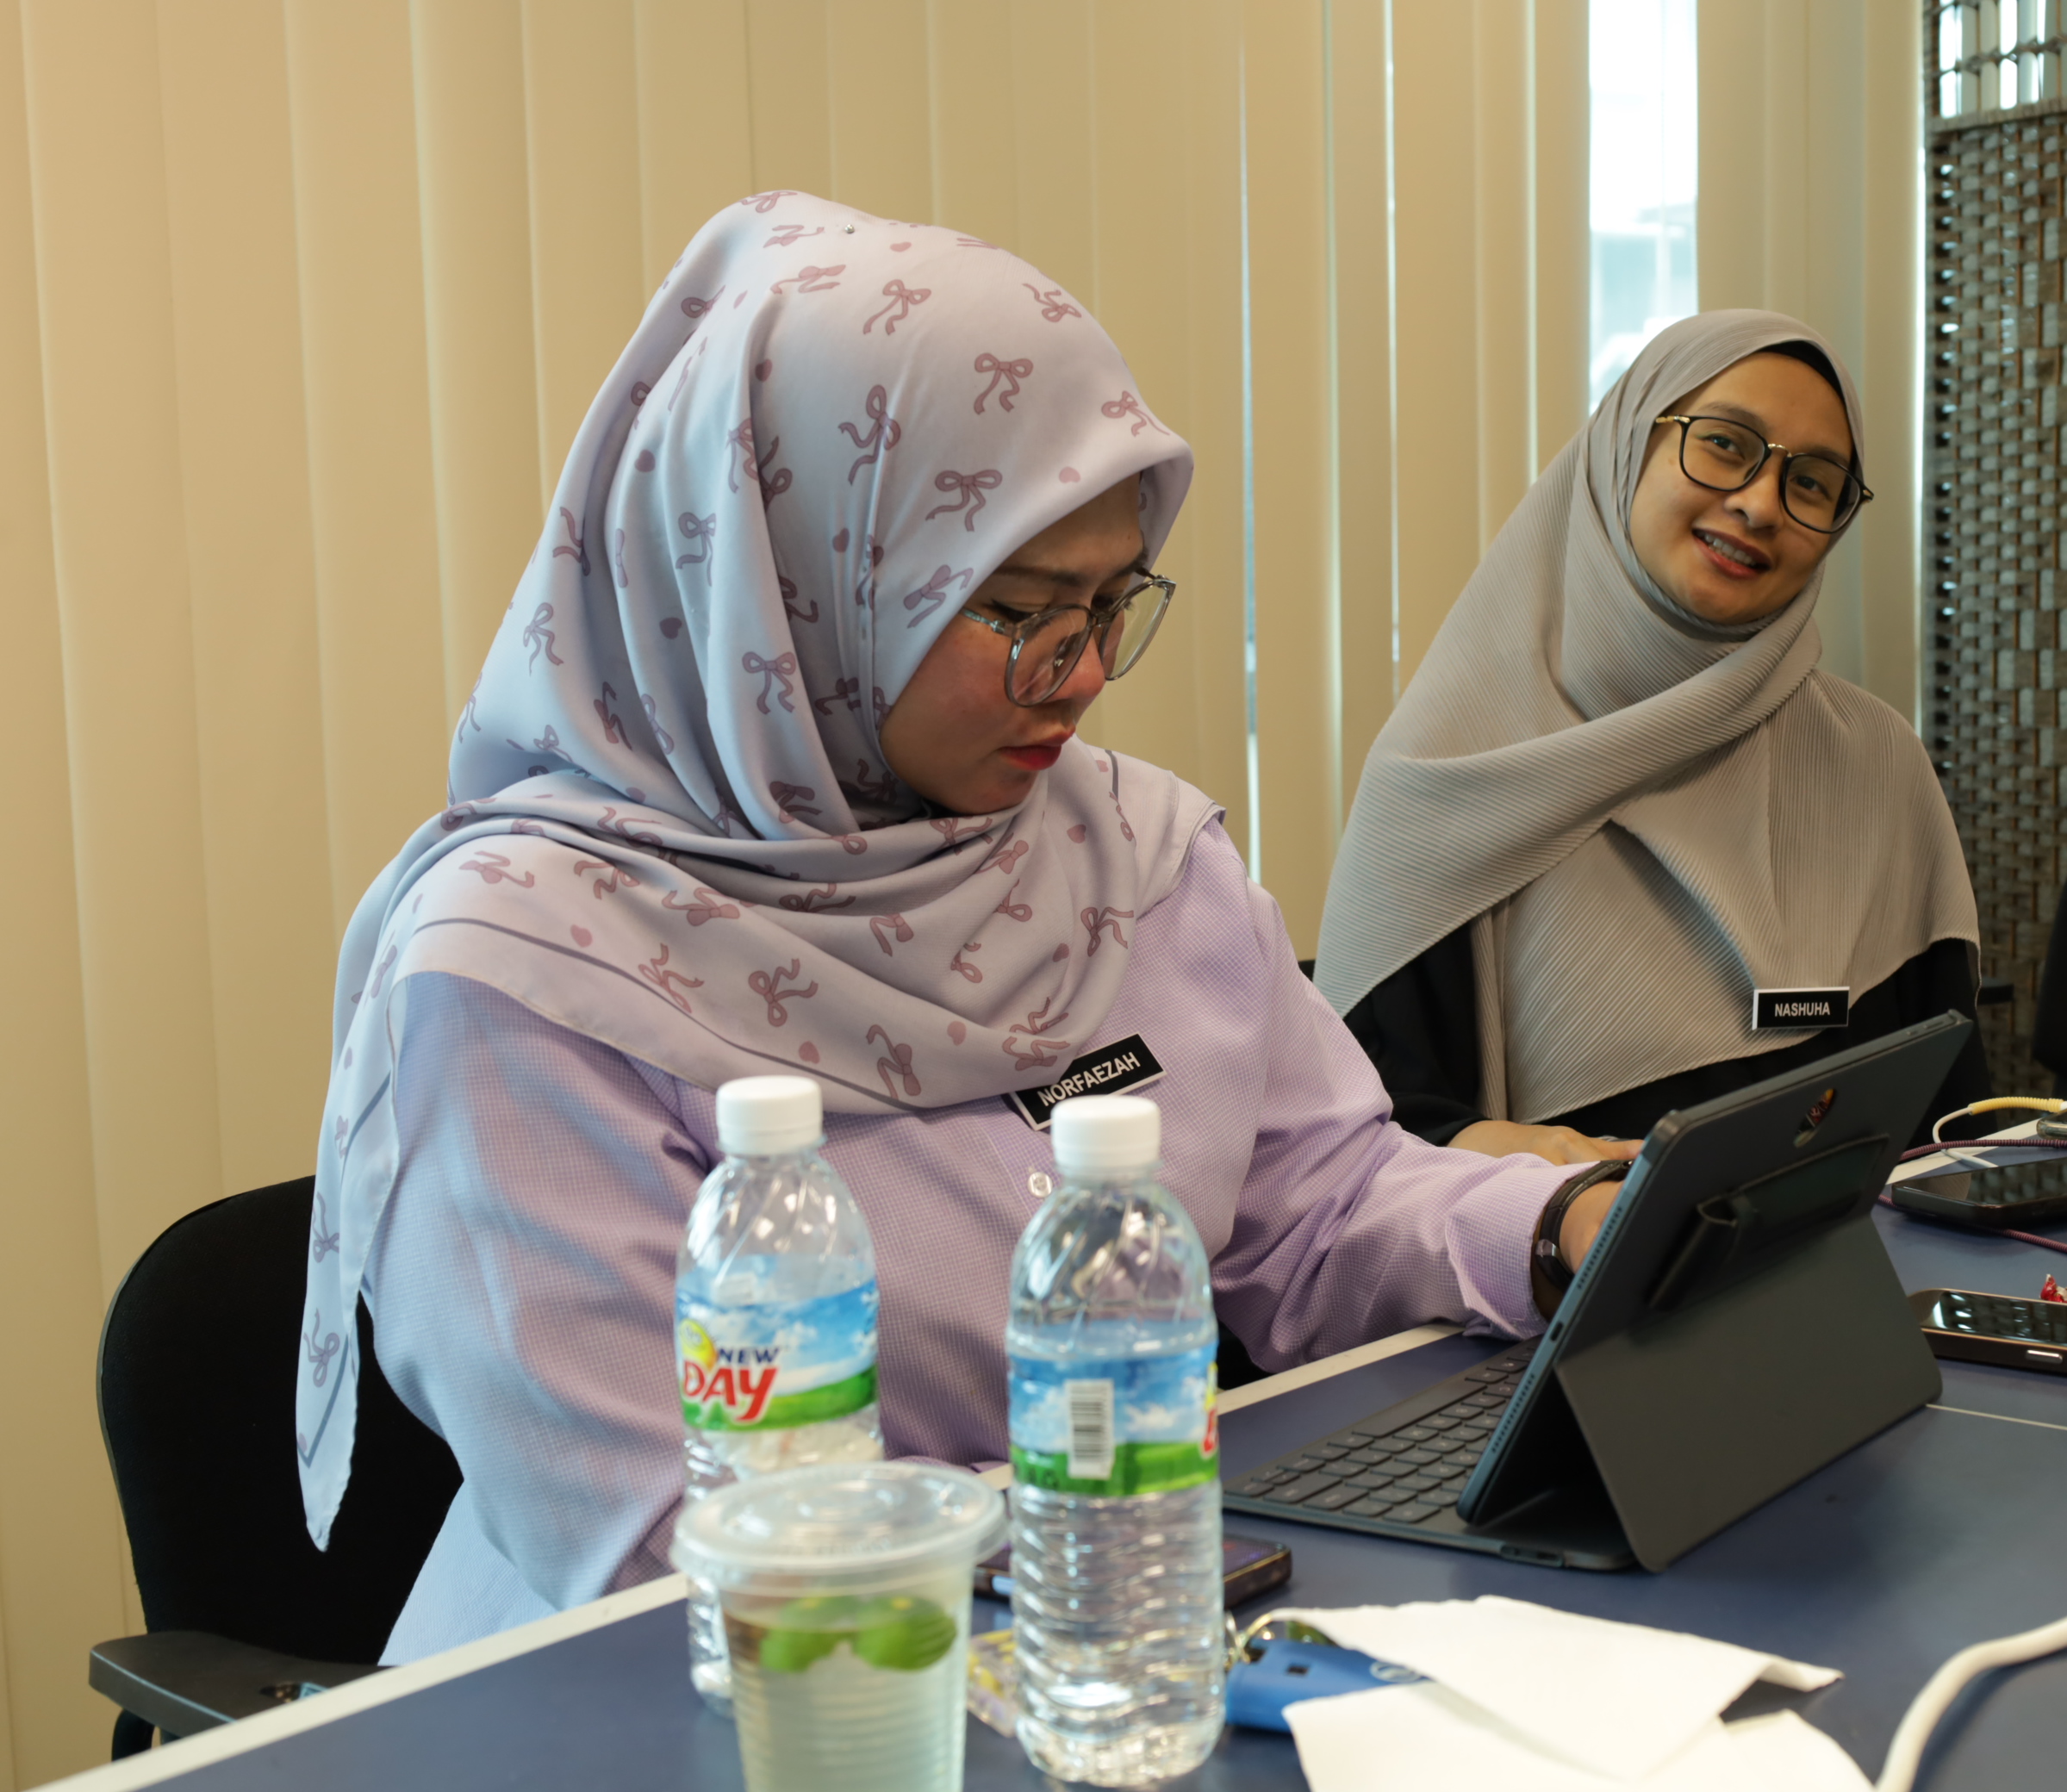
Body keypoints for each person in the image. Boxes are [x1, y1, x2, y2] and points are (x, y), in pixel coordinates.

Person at [296, 196, 1629, 1661]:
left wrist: (1556, 1226)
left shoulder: (1128, 850)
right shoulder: (522, 971)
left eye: (1114, 601)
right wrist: (1086, 1557)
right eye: (1024, 609)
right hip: (724, 1699)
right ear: (798, 585)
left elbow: (1316, 1204)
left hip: (1110, 1623)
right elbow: (664, 1551)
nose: (1084, 673)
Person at [1315, 312, 1986, 1156]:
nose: (1760, 504)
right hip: (1562, 1243)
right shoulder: (1448, 778)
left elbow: (1954, 1128)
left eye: (1813, 483)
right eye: (1725, 444)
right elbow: (1361, 1160)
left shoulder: (1873, 764)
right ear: (1628, 446)